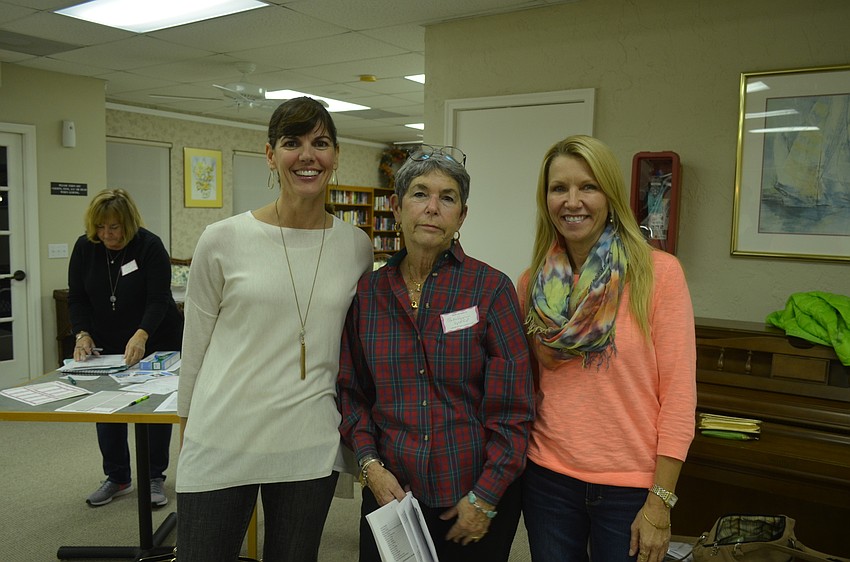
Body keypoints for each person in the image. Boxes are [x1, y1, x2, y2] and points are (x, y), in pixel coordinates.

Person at [176, 97, 374, 562]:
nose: (307, 155)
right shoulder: (222, 239)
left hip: (309, 442)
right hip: (222, 434)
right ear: (270, 155)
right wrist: (186, 434)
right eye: (292, 143)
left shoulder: (356, 247)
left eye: (320, 143)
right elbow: (195, 346)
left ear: (336, 155)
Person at [337, 146, 535, 562]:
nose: (432, 208)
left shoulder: (490, 290)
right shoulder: (368, 294)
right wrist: (370, 466)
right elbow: (353, 394)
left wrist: (486, 496)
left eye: (447, 198)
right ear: (396, 207)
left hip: (472, 497)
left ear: (461, 216)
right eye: (420, 194)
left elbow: (514, 411)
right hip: (391, 495)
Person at [517, 135, 696, 562]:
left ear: (610, 195)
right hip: (548, 479)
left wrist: (660, 502)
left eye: (588, 187)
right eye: (559, 188)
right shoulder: (532, 284)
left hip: (631, 488)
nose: (572, 201)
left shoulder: (658, 274)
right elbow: (527, 386)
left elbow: (678, 397)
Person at [68, 188, 183, 508]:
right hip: (107, 341)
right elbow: (77, 298)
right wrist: (82, 334)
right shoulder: (85, 248)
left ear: (128, 223)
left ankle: (154, 477)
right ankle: (117, 477)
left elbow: (159, 299)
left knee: (152, 409)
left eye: (114, 227)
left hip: (156, 337)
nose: (107, 234)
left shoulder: (149, 246)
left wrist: (142, 334)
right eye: (100, 227)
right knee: (107, 408)